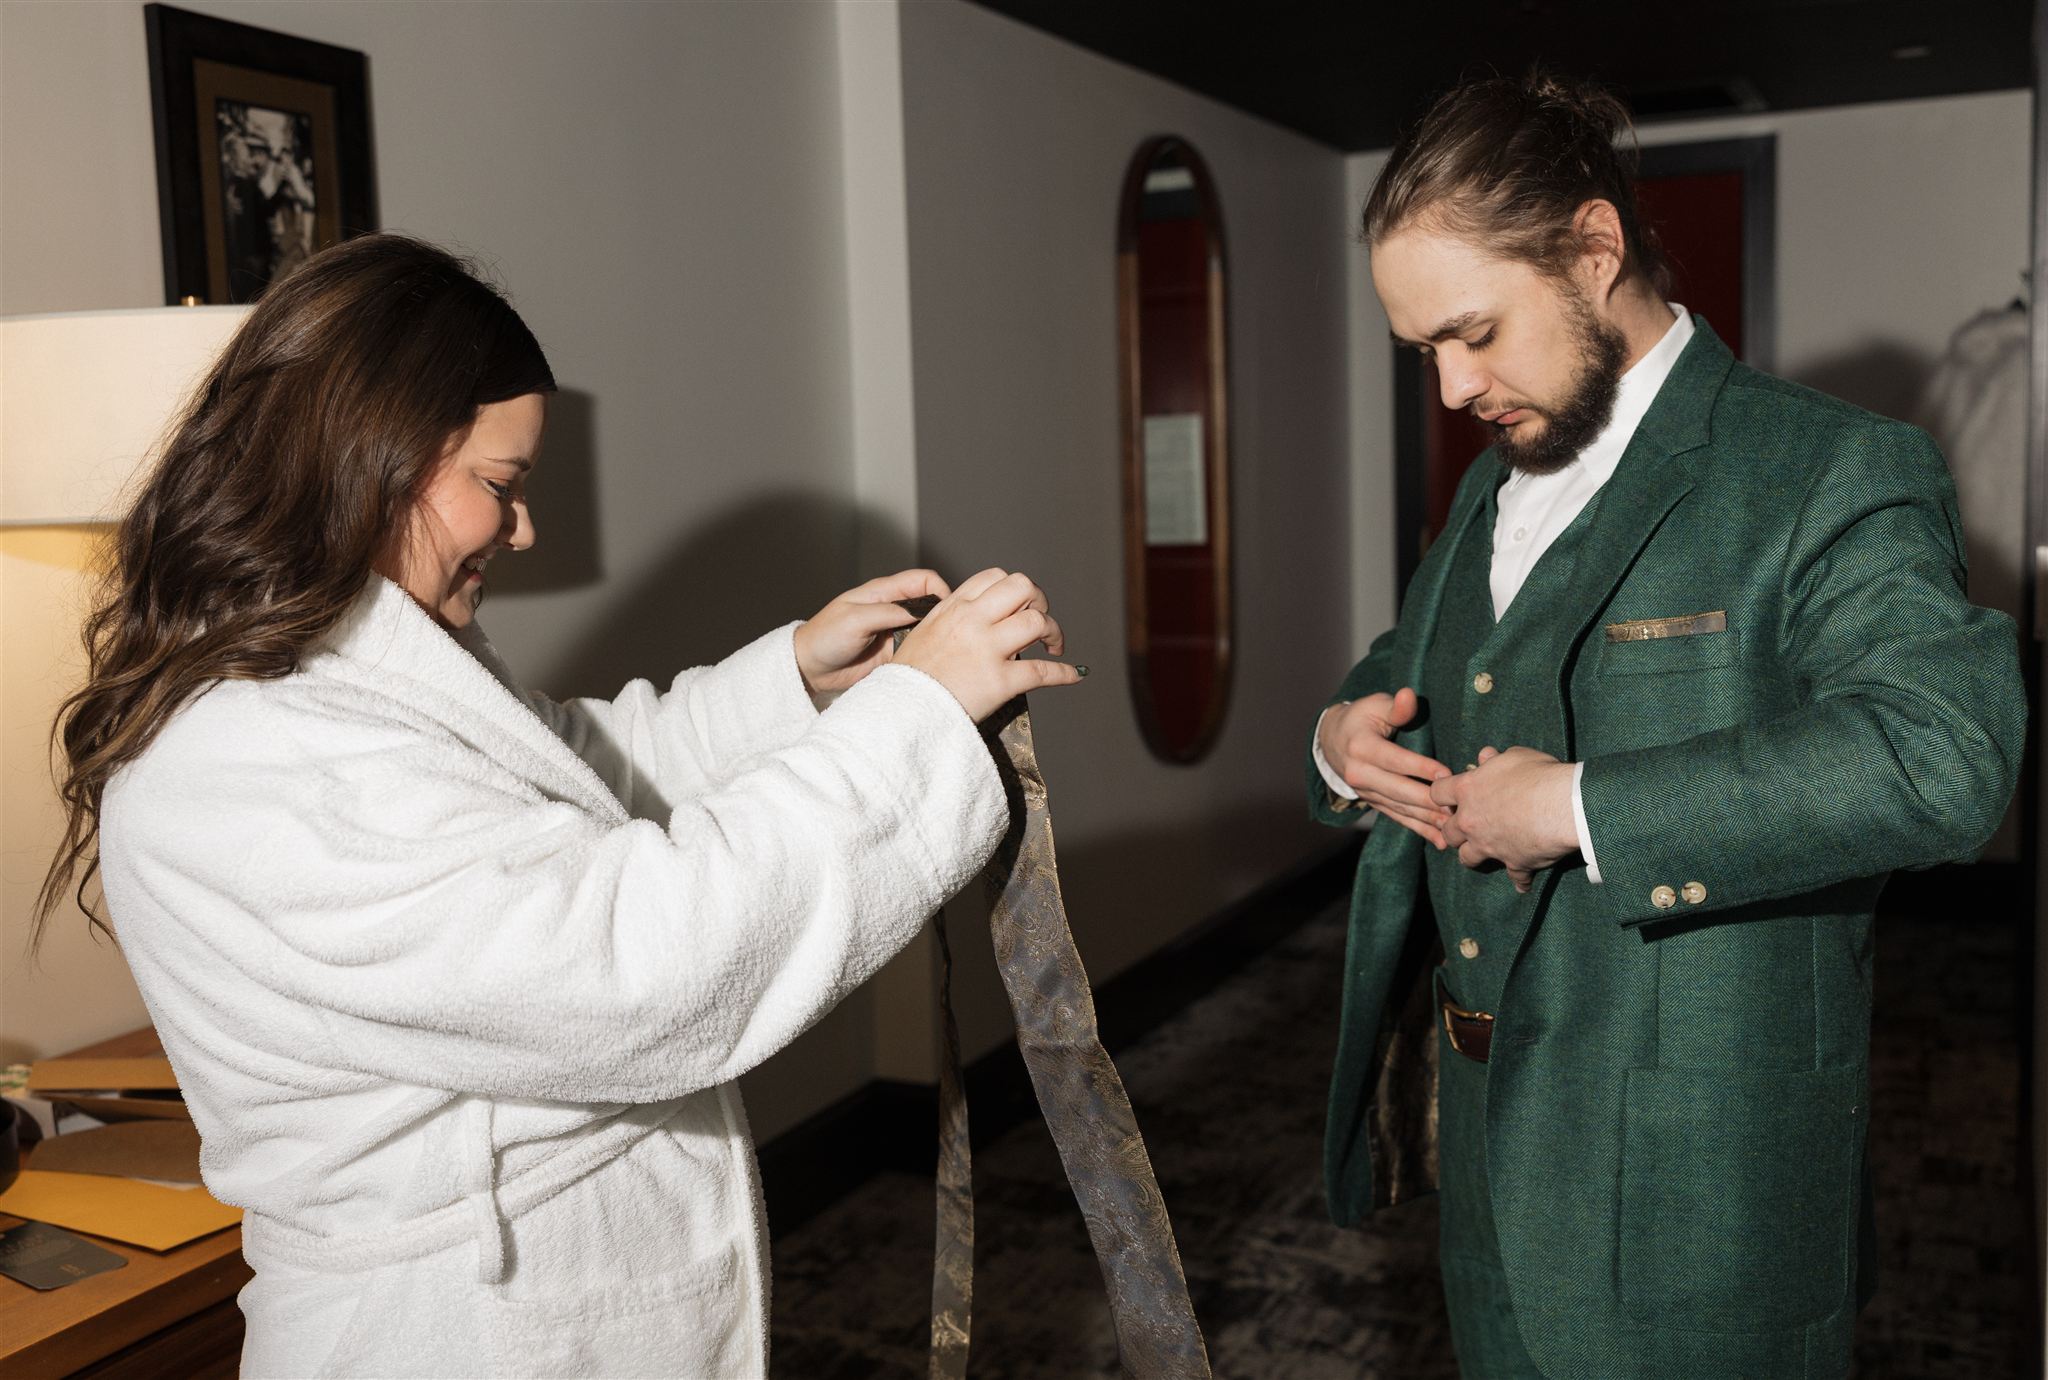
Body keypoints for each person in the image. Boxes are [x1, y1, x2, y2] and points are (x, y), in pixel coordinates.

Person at [36, 233, 1080, 1378]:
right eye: (500, 484)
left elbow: (560, 775)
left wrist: (795, 684)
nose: (522, 529)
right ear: (364, 455)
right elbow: (638, 965)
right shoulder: (253, 759)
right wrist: (916, 723)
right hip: (453, 1334)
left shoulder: (336, 674)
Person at [1307, 74, 2025, 1378]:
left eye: (1473, 332)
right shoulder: (1486, 488)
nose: (1455, 385)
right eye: (1424, 352)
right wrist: (1342, 741)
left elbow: (1944, 754)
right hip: (1486, 1164)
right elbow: (1410, 666)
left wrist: (1578, 807)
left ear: (1593, 251)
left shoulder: (1831, 471)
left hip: (1705, 1199)